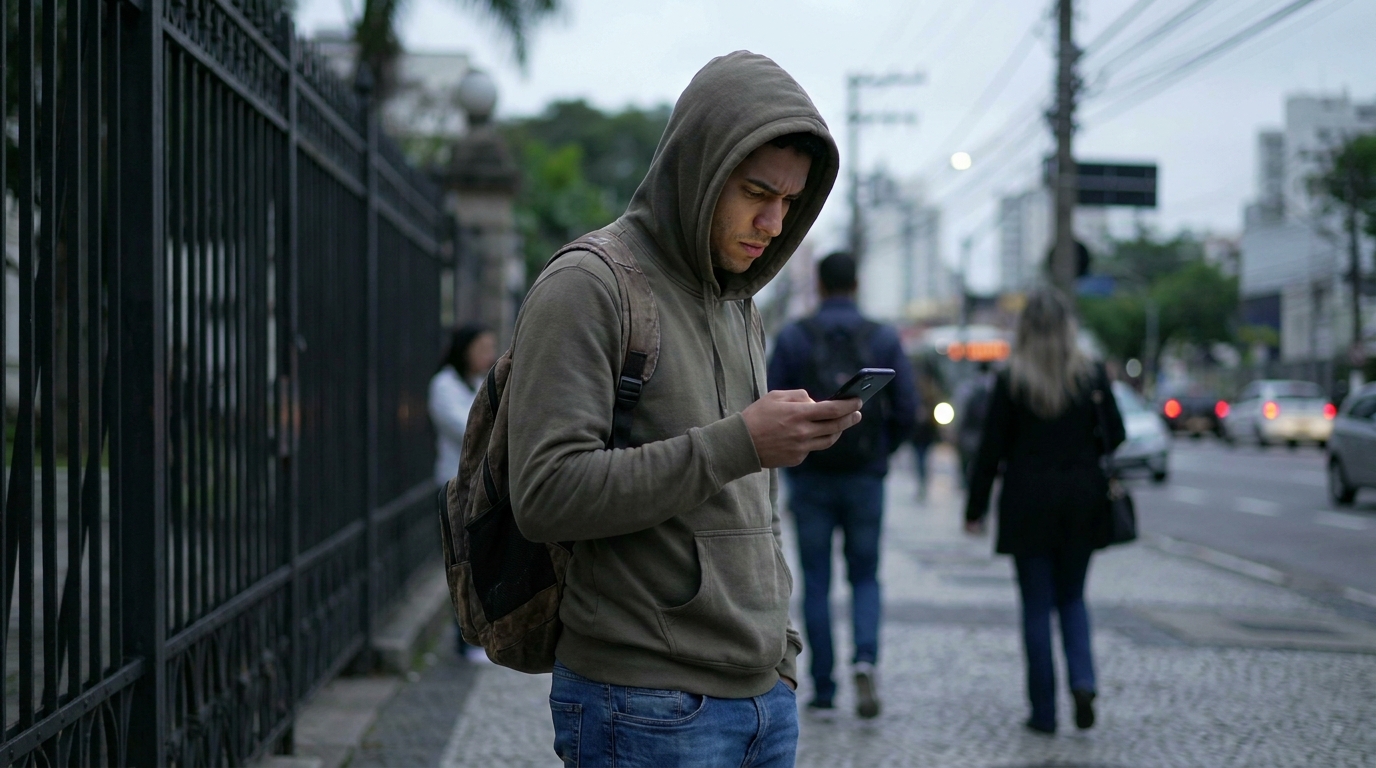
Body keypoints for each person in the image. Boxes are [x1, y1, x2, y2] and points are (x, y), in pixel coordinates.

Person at [505, 52, 849, 767]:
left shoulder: (739, 303)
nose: (774, 222)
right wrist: (740, 443)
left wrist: (782, 654)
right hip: (643, 704)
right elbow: (544, 495)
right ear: (699, 169)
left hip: (763, 702)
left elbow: (753, 503)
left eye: (791, 202)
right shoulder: (588, 285)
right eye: (757, 192)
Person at [963, 287, 1125, 736]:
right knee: (1072, 597)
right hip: (1083, 498)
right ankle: (1083, 680)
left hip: (1027, 501)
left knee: (1036, 606)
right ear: (1069, 327)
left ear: (1026, 328)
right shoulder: (1091, 374)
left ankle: (1044, 713)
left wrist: (975, 508)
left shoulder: (1012, 377)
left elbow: (989, 450)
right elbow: (1117, 431)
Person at [766, 251, 917, 719]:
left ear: (820, 283)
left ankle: (825, 686)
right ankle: (865, 659)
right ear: (856, 283)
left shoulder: (794, 337)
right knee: (865, 575)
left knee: (816, 580)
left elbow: (769, 400)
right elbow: (909, 409)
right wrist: (879, 454)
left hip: (810, 474)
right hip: (864, 478)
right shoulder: (883, 338)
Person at [429, 323, 497, 662]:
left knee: (483, 564)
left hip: (481, 487)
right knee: (463, 565)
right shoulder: (443, 385)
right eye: (482, 346)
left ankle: (481, 636)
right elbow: (468, 430)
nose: (488, 354)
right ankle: (466, 641)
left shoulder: (478, 383)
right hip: (456, 488)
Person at [954, 360, 995, 487]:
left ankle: (966, 483)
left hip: (967, 433)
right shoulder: (995, 386)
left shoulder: (967, 386)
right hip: (985, 433)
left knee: (965, 461)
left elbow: (959, 410)